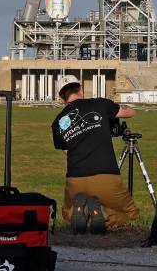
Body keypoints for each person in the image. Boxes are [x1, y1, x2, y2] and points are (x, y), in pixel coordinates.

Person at [51, 75, 139, 234]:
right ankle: (102, 215)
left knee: (66, 211)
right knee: (131, 213)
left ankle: (80, 212)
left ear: (61, 97)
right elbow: (129, 113)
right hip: (106, 176)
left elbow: (66, 151)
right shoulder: (99, 103)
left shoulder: (57, 122)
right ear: (81, 89)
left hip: (75, 180)